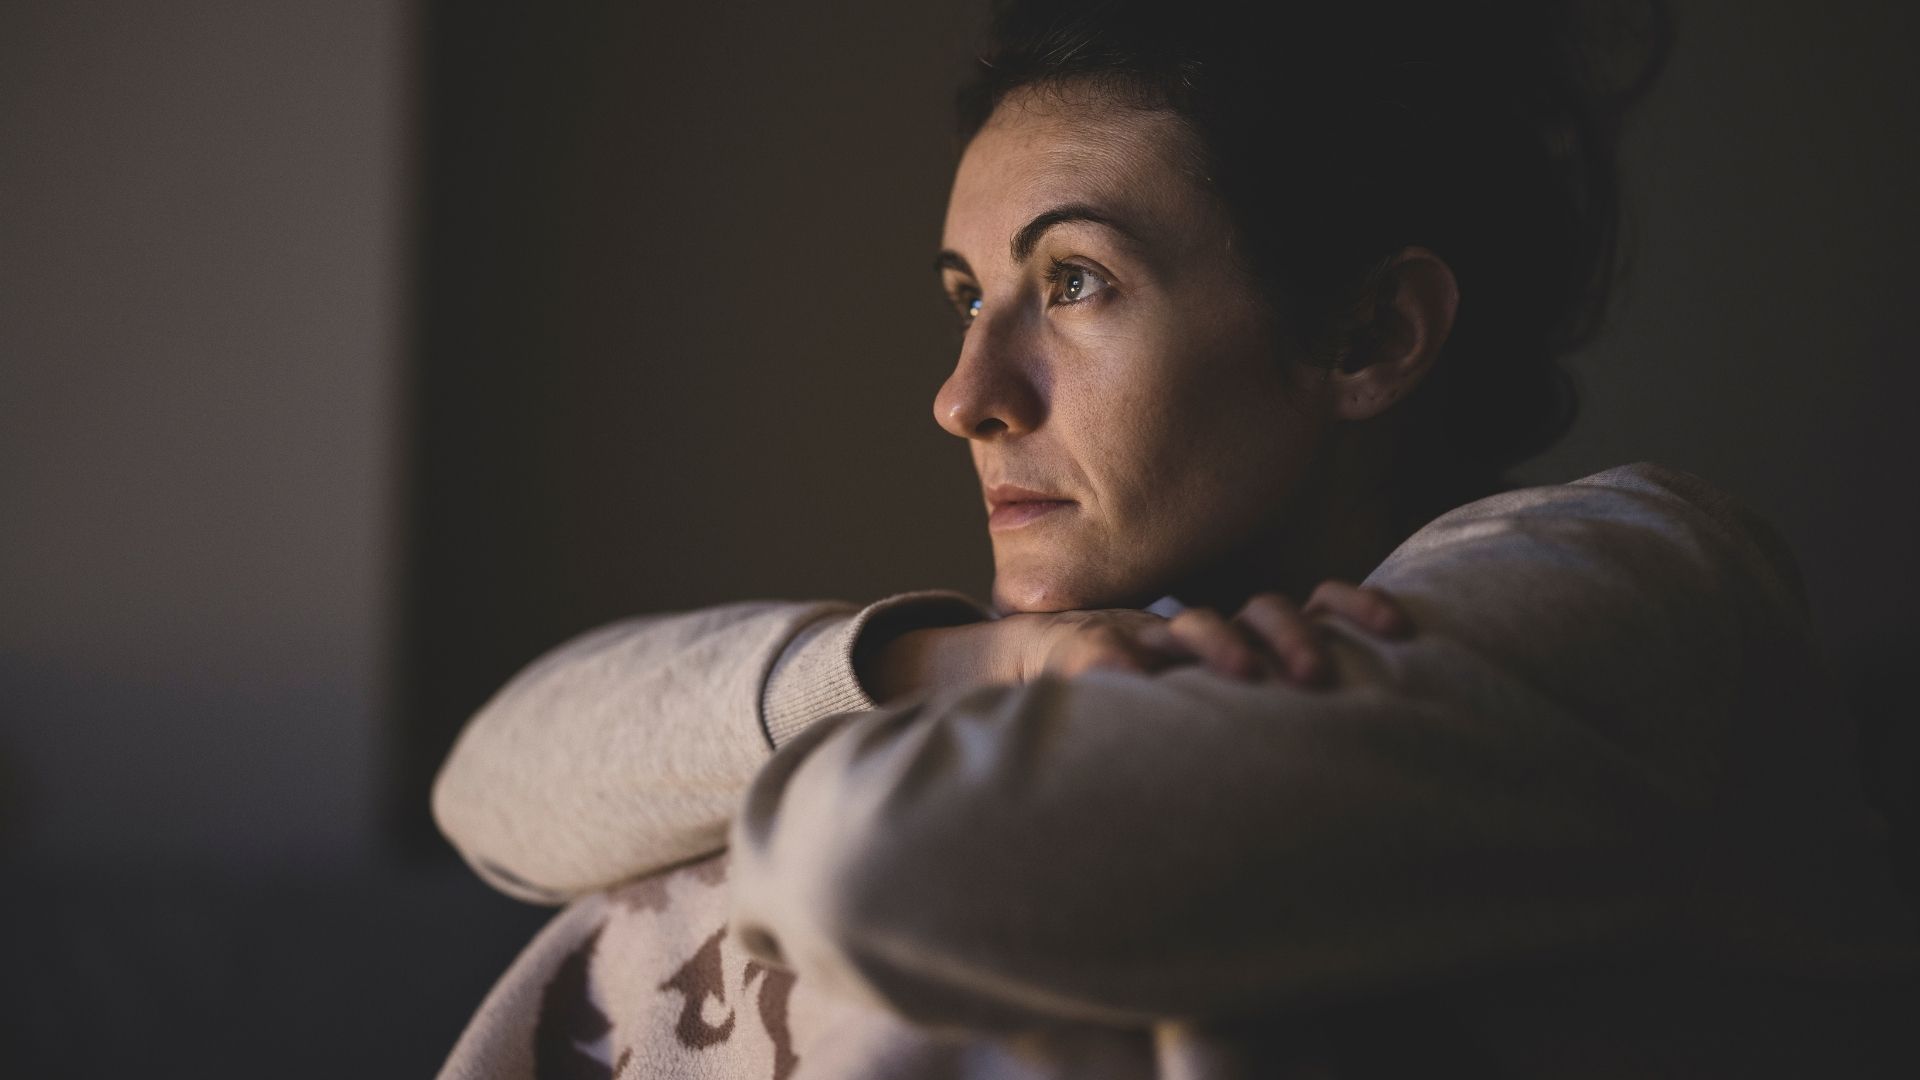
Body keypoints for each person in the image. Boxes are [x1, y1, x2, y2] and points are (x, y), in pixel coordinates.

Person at [431, 1, 1920, 1076]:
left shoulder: (1637, 591)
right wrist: (961, 663)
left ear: (1366, 333)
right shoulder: (1049, 669)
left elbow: (868, 868)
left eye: (1074, 282)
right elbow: (490, 786)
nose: (965, 396)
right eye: (969, 296)